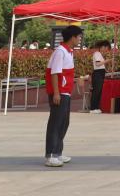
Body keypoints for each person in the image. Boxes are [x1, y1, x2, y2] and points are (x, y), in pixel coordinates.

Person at [44, 25, 81, 167]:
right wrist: (56, 93)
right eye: (78, 37)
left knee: (64, 123)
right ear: (72, 37)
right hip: (60, 93)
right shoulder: (60, 52)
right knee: (55, 124)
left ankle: (57, 153)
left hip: (66, 92)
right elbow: (54, 73)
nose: (79, 39)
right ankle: (50, 155)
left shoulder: (69, 52)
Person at [89, 40, 107, 114]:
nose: (105, 49)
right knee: (96, 91)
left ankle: (96, 107)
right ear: (101, 47)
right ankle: (93, 108)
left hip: (100, 73)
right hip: (98, 73)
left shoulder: (99, 54)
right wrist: (106, 61)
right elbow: (98, 64)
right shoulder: (97, 53)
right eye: (105, 47)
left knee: (99, 91)